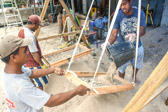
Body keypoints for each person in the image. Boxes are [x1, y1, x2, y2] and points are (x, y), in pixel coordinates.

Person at [0, 35, 89, 112]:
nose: (28, 53)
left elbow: (32, 72)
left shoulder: (11, 70)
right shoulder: (20, 86)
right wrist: (76, 91)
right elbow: (51, 101)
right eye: (24, 51)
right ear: (13, 57)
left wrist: (52, 69)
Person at [102, 0, 146, 82]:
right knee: (121, 68)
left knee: (136, 64)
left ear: (131, 2)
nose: (122, 7)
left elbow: (143, 30)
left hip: (137, 45)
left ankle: (134, 76)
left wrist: (135, 35)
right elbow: (114, 34)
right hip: (123, 47)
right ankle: (122, 81)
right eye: (121, 5)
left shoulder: (140, 13)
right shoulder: (118, 15)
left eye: (124, 4)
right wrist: (108, 42)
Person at [18, 15, 48, 90]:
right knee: (40, 83)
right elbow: (34, 54)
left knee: (32, 80)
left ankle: (35, 94)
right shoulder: (30, 36)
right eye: (38, 25)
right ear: (34, 24)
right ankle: (41, 98)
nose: (38, 28)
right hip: (32, 63)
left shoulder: (22, 31)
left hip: (25, 62)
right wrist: (42, 65)